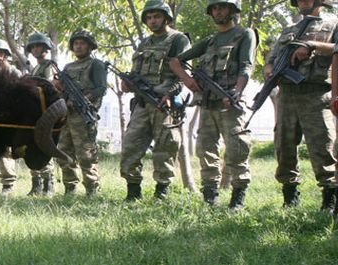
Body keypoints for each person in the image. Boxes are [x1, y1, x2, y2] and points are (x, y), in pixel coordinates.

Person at [169, 0, 256, 211]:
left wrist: (237, 91)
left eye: (222, 7)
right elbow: (175, 61)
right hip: (208, 103)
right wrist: (188, 82)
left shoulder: (245, 34)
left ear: (233, 10)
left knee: (237, 149)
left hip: (230, 101)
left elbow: (246, 66)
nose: (218, 12)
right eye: (215, 8)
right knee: (205, 151)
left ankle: (237, 199)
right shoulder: (209, 41)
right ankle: (210, 198)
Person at [269, 0, 338, 211]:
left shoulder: (333, 23)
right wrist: (269, 68)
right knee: (284, 145)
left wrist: (312, 46)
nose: (302, 2)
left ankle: (330, 198)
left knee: (323, 146)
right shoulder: (290, 29)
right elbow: (271, 56)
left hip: (316, 94)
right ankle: (290, 197)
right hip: (287, 94)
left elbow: (336, 48)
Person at [120, 0, 191, 201]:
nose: (152, 21)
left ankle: (162, 192)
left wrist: (168, 94)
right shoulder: (144, 43)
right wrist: (127, 83)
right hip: (142, 103)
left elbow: (182, 74)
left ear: (166, 18)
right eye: (149, 18)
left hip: (164, 104)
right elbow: (135, 73)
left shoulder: (178, 40)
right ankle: (133, 192)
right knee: (130, 146)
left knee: (165, 148)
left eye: (156, 17)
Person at [54, 29, 107, 196]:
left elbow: (100, 88)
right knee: (63, 152)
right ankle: (70, 188)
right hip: (67, 116)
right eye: (76, 43)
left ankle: (92, 189)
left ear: (90, 46)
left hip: (84, 116)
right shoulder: (68, 67)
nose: (78, 46)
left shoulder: (96, 64)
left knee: (86, 154)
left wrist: (84, 99)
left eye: (82, 43)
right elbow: (62, 92)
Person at [0, 39, 21, 195]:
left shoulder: (15, 72)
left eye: (0, 53)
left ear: (6, 55)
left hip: (9, 116)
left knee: (6, 151)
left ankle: (8, 184)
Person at [25, 33, 56, 196]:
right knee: (32, 146)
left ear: (45, 48)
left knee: (44, 146)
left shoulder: (49, 65)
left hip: (45, 112)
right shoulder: (35, 68)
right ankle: (36, 184)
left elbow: (48, 86)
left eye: (39, 46)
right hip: (34, 112)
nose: (36, 49)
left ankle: (49, 184)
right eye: (34, 47)